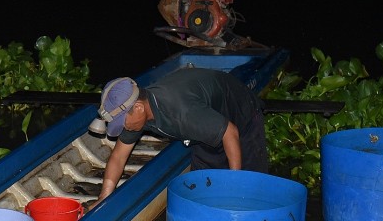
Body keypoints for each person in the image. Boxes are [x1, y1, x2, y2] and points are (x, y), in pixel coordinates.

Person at [95, 67, 268, 203]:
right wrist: (104, 197)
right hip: (204, 125)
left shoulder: (181, 112)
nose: (124, 127)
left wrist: (234, 182)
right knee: (202, 193)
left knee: (248, 189)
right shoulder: (139, 111)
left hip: (241, 118)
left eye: (123, 122)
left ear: (139, 107)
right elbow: (118, 156)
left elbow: (230, 132)